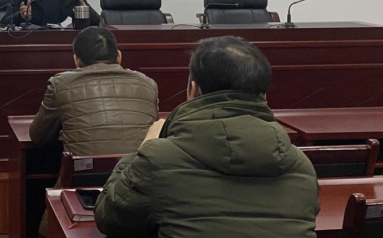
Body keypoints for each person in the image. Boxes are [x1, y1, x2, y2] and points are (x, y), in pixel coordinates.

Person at [94, 36, 319, 238]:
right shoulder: (301, 166)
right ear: (264, 96)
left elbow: (109, 217)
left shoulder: (158, 159)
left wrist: (143, 149)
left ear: (194, 90)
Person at [30, 26, 158, 154]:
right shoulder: (148, 84)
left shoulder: (60, 84)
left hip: (86, 167)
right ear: (119, 56)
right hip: (138, 166)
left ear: (76, 60)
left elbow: (39, 137)